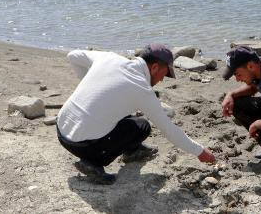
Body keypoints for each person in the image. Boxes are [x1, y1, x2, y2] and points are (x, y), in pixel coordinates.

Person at [57, 44, 215, 184]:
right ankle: (93, 162)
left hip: (61, 131)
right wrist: (199, 151)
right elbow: (168, 129)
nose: (161, 80)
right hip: (82, 146)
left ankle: (129, 151)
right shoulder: (142, 89)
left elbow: (72, 56)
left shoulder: (109, 58)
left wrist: (88, 83)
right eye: (164, 74)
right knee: (142, 126)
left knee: (126, 117)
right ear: (154, 68)